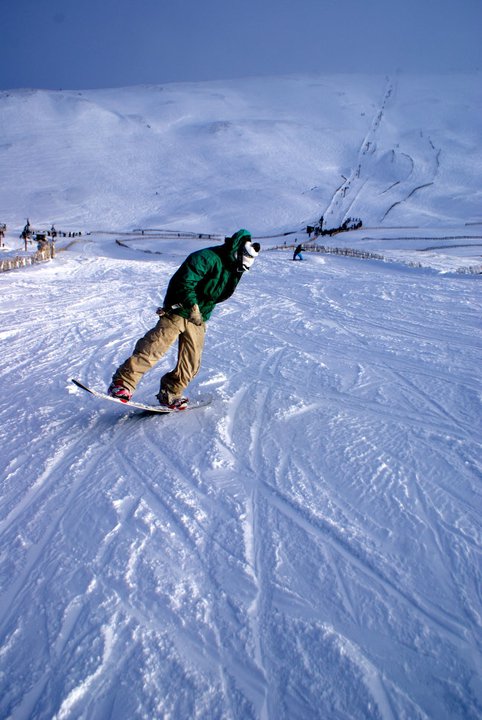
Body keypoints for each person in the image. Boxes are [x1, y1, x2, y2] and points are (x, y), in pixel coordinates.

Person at [108, 229, 260, 408]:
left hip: (199, 316)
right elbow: (184, 281)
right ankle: (122, 383)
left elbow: (217, 294)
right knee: (156, 345)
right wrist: (191, 305)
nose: (240, 271)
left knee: (191, 361)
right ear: (238, 253)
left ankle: (170, 392)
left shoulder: (234, 269)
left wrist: (201, 312)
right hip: (180, 307)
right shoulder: (206, 257)